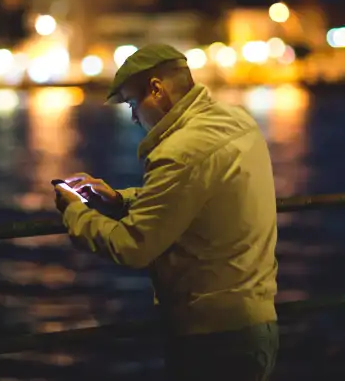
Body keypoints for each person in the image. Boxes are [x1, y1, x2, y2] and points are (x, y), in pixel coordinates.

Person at [53, 44, 279, 381]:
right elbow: (195, 197)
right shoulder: (236, 121)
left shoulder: (180, 151)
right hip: (256, 324)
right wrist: (119, 200)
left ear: (157, 89)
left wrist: (75, 213)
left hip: (212, 338)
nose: (132, 117)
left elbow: (133, 246)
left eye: (132, 103)